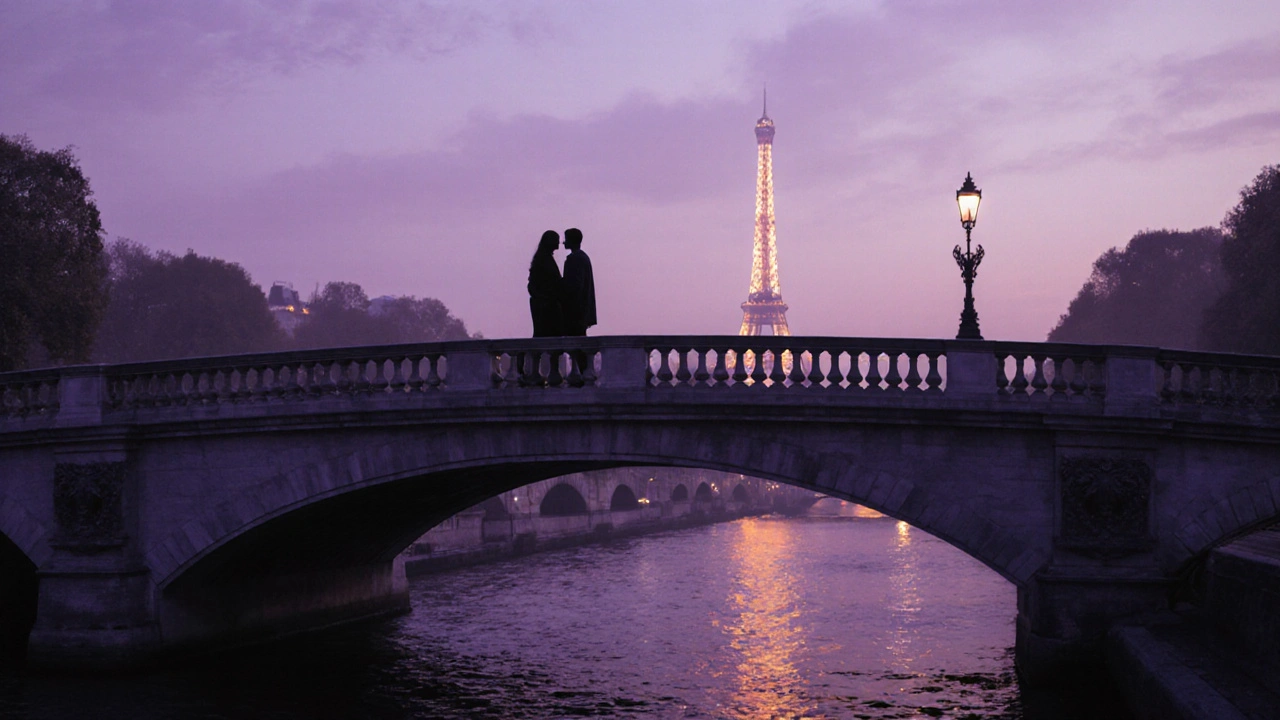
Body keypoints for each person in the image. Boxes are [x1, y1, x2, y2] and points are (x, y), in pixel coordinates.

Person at [527, 230, 563, 337]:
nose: (559, 243)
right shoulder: (545, 259)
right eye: (557, 240)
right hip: (546, 305)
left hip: (544, 303)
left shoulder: (542, 258)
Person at [561, 227, 596, 336]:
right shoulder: (583, 257)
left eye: (566, 239)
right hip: (581, 311)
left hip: (575, 311)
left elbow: (575, 286)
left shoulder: (575, 259)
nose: (563, 242)